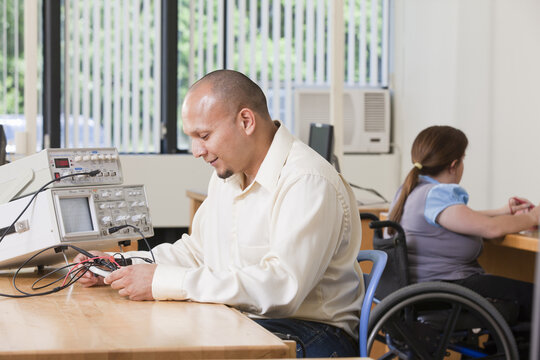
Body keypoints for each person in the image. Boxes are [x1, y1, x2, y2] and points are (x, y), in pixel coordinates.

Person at [74, 70, 363, 357]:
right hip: (246, 319)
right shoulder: (228, 176)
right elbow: (197, 252)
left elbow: (280, 289)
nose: (196, 151)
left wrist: (164, 282)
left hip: (311, 331)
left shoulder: (307, 181)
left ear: (246, 121)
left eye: (204, 135)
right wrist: (119, 267)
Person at [388, 125, 539, 330]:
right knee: (534, 298)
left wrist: (502, 212)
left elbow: (461, 219)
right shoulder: (438, 193)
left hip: (425, 291)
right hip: (449, 289)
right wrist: (532, 216)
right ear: (454, 164)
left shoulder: (412, 191)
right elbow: (491, 229)